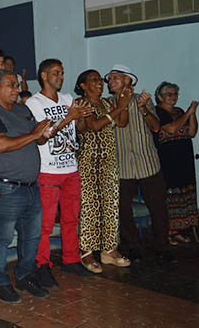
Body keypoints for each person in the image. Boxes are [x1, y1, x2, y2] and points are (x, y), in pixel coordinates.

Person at [0, 69, 54, 304]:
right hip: (7, 187)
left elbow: (36, 138)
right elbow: (0, 145)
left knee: (31, 237)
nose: (16, 89)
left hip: (32, 186)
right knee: (1, 238)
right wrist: (34, 135)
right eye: (11, 85)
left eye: (17, 85)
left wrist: (44, 133)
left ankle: (25, 275)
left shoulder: (23, 109)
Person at [24, 59, 95, 288]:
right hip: (48, 169)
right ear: (44, 76)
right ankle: (42, 264)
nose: (61, 77)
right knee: (45, 223)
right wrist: (70, 116)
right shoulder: (34, 103)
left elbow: (79, 130)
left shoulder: (67, 99)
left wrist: (81, 116)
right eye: (56, 73)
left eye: (62, 73)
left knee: (71, 218)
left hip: (71, 167)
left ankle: (71, 259)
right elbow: (44, 134)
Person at [105, 64, 173, 262]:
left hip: (148, 163)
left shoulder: (142, 100)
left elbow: (155, 127)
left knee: (158, 207)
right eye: (109, 78)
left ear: (128, 80)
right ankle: (133, 246)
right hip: (121, 165)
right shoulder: (107, 104)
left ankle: (162, 246)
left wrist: (143, 109)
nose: (110, 81)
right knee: (123, 209)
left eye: (115, 77)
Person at [75, 69, 132, 273]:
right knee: (90, 207)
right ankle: (87, 252)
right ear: (83, 86)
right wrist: (120, 107)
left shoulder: (107, 103)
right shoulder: (82, 104)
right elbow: (95, 125)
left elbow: (122, 122)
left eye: (101, 80)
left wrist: (121, 103)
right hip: (89, 161)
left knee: (110, 205)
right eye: (94, 80)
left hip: (108, 161)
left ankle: (109, 250)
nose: (100, 83)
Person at [154, 81, 199, 244]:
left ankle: (179, 230)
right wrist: (188, 113)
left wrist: (192, 113)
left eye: (175, 94)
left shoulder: (180, 111)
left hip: (184, 158)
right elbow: (172, 129)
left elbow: (192, 132)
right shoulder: (157, 111)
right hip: (168, 159)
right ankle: (167, 233)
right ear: (160, 96)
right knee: (170, 196)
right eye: (169, 94)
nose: (173, 97)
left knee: (184, 194)